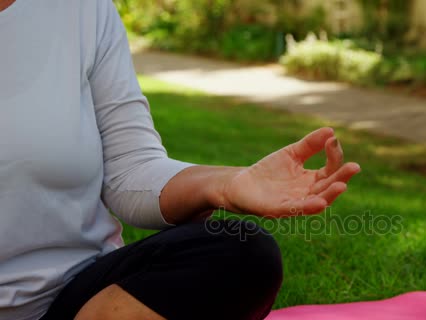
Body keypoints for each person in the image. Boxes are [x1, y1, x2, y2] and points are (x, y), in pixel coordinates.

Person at [0, 0, 361, 319]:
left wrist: (225, 185)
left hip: (76, 298)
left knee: (243, 253)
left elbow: (129, 169)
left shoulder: (83, 8)